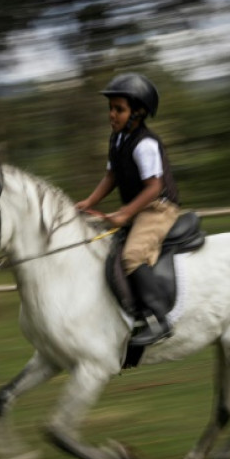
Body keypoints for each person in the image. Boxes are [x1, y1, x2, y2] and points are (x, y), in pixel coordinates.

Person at [75, 73, 180, 346]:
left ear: (138, 112)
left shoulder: (145, 144)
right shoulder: (117, 139)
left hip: (158, 208)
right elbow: (111, 177)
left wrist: (124, 214)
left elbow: (154, 188)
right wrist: (89, 202)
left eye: (119, 109)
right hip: (139, 207)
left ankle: (161, 321)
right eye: (111, 109)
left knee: (131, 256)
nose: (112, 114)